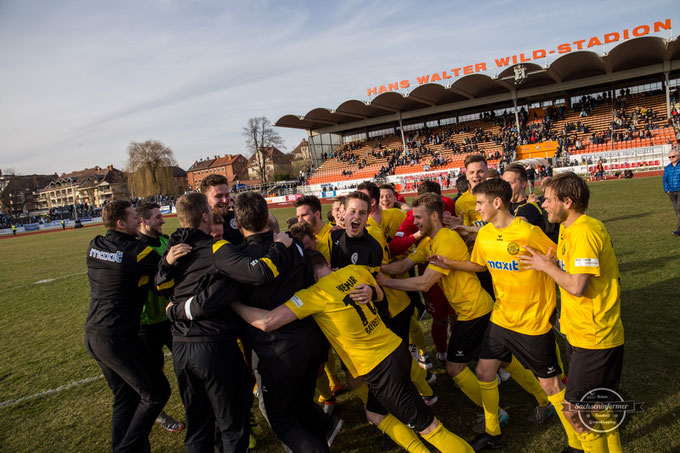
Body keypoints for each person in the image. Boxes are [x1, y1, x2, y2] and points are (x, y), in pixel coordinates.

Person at [232, 251, 475, 453]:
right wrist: (372, 292)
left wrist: (234, 303)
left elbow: (267, 322)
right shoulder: (353, 270)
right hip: (394, 349)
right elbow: (380, 294)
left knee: (430, 428)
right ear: (327, 263)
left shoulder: (314, 294)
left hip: (380, 367)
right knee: (374, 414)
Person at [428, 179, 572, 451]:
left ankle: (576, 442)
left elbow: (560, 260)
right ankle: (493, 433)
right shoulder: (485, 234)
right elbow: (479, 265)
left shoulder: (528, 233)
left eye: (480, 202)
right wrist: (450, 264)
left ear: (497, 203)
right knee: (484, 371)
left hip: (533, 322)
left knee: (551, 385)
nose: (476, 207)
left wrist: (559, 296)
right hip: (501, 316)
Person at [157, 192, 293, 452]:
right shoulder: (216, 248)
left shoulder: (174, 247)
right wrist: (280, 245)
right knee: (232, 426)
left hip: (181, 347)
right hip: (213, 345)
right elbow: (261, 272)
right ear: (206, 216)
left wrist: (165, 263)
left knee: (198, 426)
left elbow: (160, 286)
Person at [520, 172, 624, 453]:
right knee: (597, 404)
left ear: (567, 201)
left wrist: (545, 267)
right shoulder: (569, 227)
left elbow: (578, 286)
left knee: (575, 412)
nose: (543, 205)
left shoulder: (585, 231)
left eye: (549, 200)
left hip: (595, 335)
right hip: (579, 331)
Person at [84, 200, 173, 452]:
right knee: (157, 392)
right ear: (121, 223)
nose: (139, 221)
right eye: (135, 217)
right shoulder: (138, 252)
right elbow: (165, 271)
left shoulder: (95, 245)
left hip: (93, 335)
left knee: (126, 398)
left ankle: (122, 447)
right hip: (118, 338)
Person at [389, 181, 457, 363]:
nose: (416, 221)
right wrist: (418, 235)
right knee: (441, 318)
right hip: (430, 270)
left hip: (452, 273)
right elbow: (395, 249)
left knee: (456, 316)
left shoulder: (448, 208)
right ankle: (444, 352)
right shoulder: (414, 218)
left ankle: (458, 355)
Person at [135, 202, 184, 433]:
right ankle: (159, 414)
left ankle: (195, 403)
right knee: (154, 376)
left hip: (172, 318)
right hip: (147, 323)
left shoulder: (167, 242)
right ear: (143, 221)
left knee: (186, 364)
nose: (162, 221)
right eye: (157, 218)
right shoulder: (134, 249)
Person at [200, 174, 243, 244]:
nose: (225, 200)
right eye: (218, 196)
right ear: (205, 199)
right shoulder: (199, 226)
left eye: (227, 195)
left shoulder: (238, 217)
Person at [663, 149, 680, 236]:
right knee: (677, 210)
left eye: (673, 156)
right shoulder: (668, 167)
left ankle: (679, 229)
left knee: (679, 209)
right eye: (670, 157)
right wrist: (667, 190)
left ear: (678, 156)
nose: (671, 158)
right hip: (671, 192)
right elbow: (665, 179)